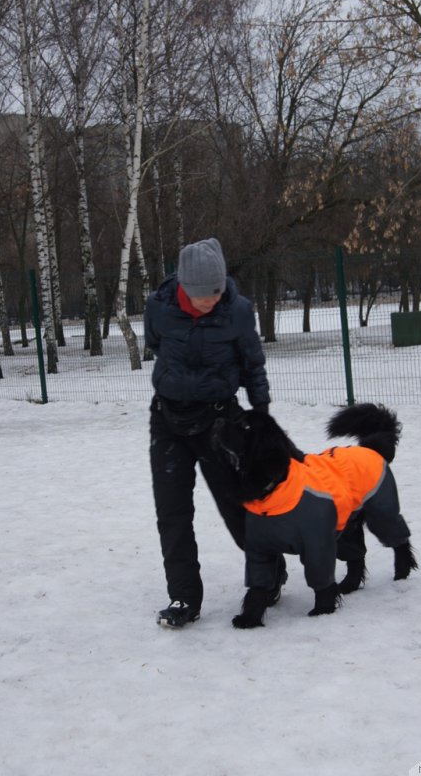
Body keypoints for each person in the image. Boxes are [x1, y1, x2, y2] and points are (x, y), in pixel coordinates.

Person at [144, 237, 286, 628]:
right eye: (204, 295)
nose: (212, 300)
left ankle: (269, 574)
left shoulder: (237, 311)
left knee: (237, 506)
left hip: (220, 421)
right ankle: (184, 597)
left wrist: (261, 413)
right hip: (168, 420)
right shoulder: (158, 307)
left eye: (218, 291)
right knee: (172, 512)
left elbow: (252, 363)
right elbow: (155, 344)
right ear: (184, 287)